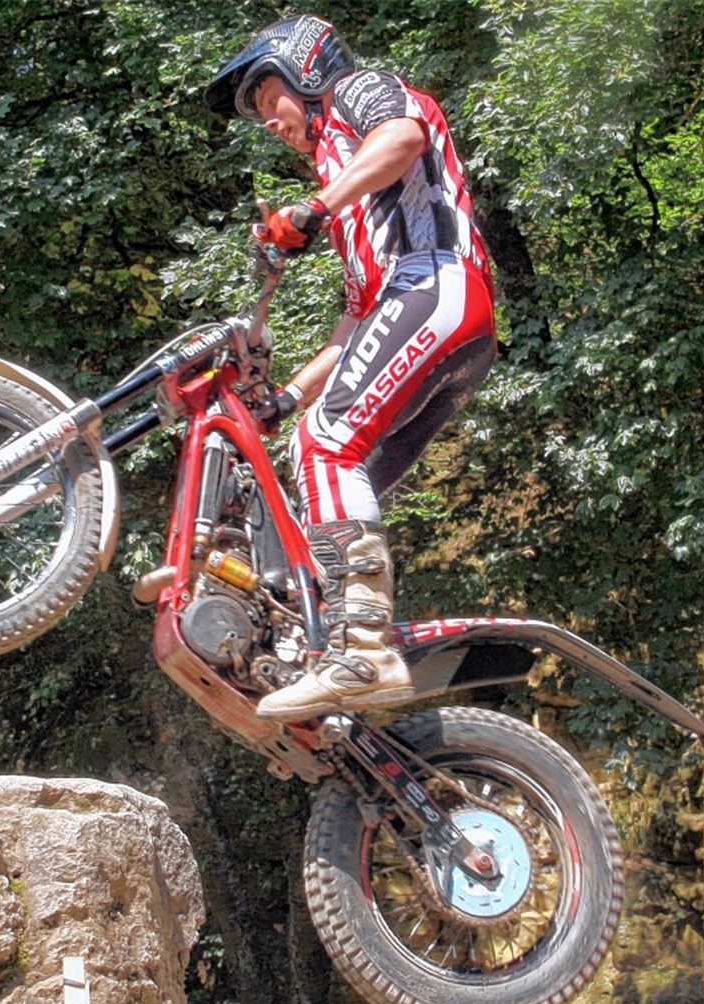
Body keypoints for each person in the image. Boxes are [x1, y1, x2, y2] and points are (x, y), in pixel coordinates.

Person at [205, 14, 497, 722]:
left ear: (303, 69)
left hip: (437, 283)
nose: (267, 121)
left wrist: (313, 206)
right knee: (323, 468)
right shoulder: (347, 190)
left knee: (326, 442)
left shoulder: (360, 94)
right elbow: (357, 321)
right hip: (427, 315)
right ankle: (337, 646)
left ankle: (362, 647)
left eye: (265, 98)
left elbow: (404, 137)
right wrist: (285, 399)